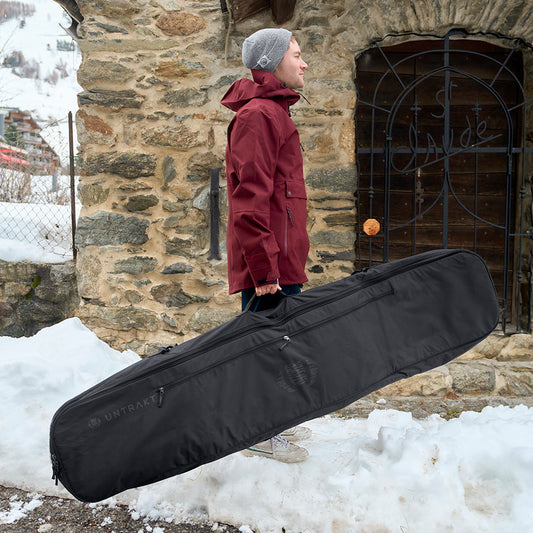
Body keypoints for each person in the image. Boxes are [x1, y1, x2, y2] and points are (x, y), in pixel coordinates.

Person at [221, 28, 311, 463]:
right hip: (268, 261)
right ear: (273, 62)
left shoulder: (274, 112)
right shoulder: (258, 116)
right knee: (261, 346)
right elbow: (249, 199)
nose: (304, 63)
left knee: (278, 342)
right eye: (296, 55)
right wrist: (264, 268)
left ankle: (270, 422)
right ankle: (254, 432)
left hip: (281, 255)